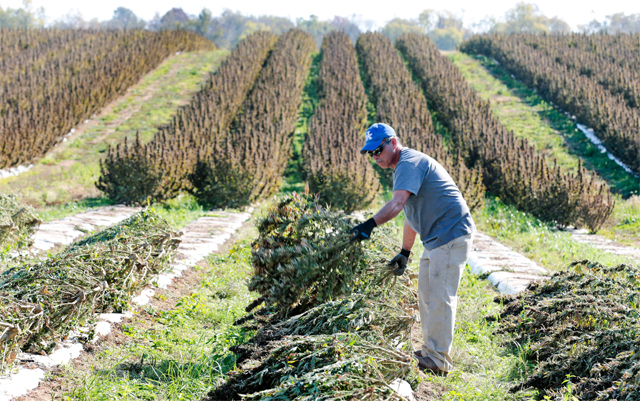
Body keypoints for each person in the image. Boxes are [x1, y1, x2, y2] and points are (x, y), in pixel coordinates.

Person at [350, 123, 475, 376]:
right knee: (426, 294)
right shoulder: (402, 168)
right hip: (436, 238)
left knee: (440, 296)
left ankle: (439, 360)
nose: (375, 157)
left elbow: (397, 204)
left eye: (378, 150)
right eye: (370, 153)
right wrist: (405, 252)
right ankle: (430, 351)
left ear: (393, 143)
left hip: (451, 233)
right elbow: (410, 213)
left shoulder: (408, 163)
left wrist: (369, 225)